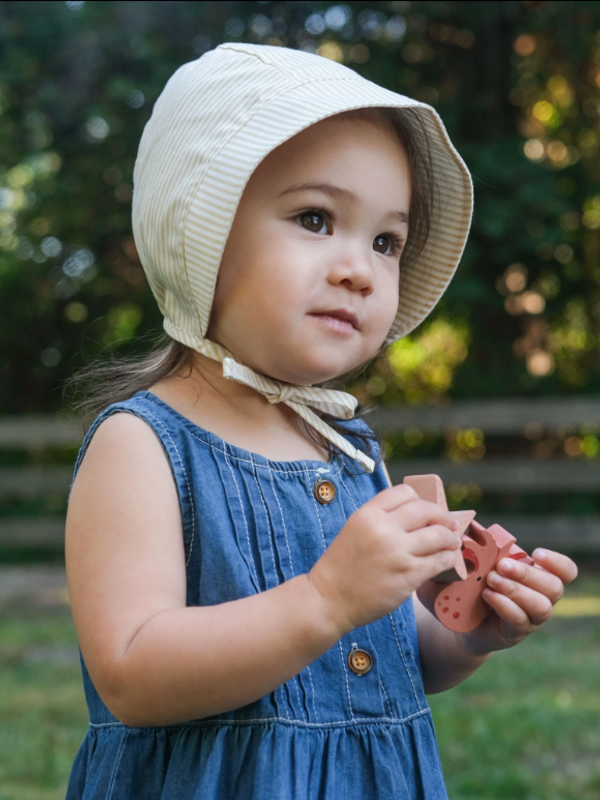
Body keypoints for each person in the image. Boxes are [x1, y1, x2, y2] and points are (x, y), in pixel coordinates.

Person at [64, 43, 577, 799]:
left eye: (385, 242)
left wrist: (471, 633)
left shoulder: (348, 450)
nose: (358, 268)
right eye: (314, 218)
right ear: (195, 235)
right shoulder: (140, 446)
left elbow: (388, 656)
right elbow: (132, 675)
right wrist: (324, 599)